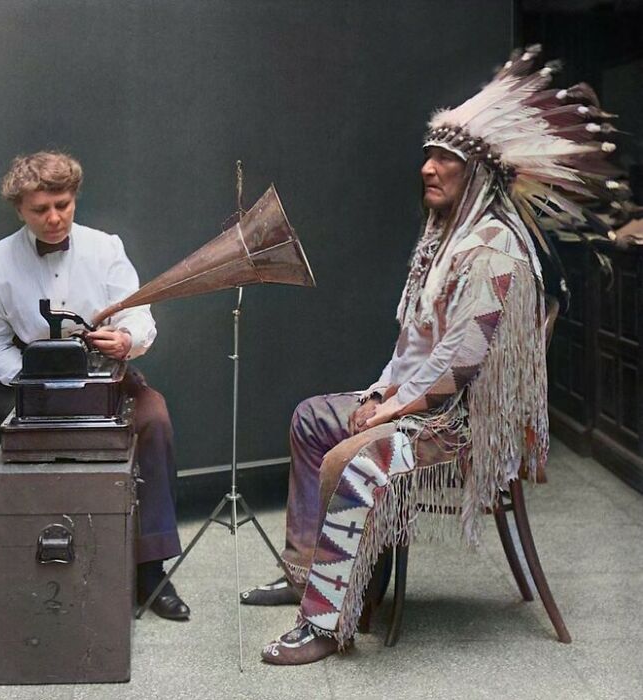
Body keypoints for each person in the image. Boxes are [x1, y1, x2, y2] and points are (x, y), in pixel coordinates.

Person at [242, 46, 624, 664]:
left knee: (352, 459)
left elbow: (460, 370)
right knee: (314, 417)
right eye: (429, 153)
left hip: (463, 427)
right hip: (421, 406)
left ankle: (325, 623)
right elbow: (416, 346)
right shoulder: (445, 241)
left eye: (446, 158)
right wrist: (378, 396)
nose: (428, 167)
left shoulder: (495, 249)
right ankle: (306, 575)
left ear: (479, 177)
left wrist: (391, 415)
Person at [0, 151, 190, 621]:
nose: (54, 219)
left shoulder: (106, 248)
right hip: (30, 382)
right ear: (19, 210)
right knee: (44, 445)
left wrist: (126, 339)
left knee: (154, 420)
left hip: (102, 370)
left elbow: (138, 314)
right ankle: (48, 564)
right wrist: (36, 379)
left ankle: (150, 566)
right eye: (40, 210)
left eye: (63, 205)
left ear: (75, 199)